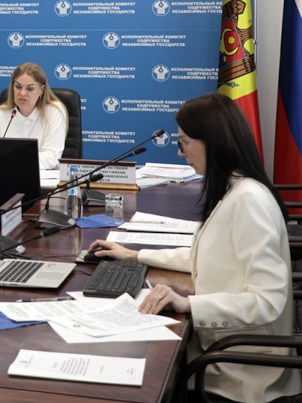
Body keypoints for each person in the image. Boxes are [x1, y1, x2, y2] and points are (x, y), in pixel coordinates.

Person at [88, 93, 302, 402]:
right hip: (222, 345)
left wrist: (189, 304)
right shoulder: (234, 188)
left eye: (184, 142)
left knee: (135, 372)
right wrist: (134, 255)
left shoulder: (249, 201)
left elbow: (268, 301)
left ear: (213, 141)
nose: (180, 152)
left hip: (241, 364)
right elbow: (208, 257)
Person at [0, 62, 68, 169]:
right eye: (18, 87)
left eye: (30, 89)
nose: (22, 93)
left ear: (41, 91)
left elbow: (52, 157)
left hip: (42, 177)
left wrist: (13, 159)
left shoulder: (53, 111)